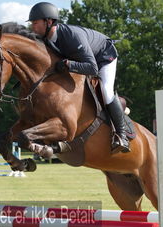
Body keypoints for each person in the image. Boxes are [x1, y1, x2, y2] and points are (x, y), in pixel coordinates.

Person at [28, 2, 130, 154]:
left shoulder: (71, 36)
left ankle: (122, 136)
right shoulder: (46, 39)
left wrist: (69, 64)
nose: (32, 27)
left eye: (35, 23)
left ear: (49, 22)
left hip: (103, 57)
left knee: (106, 90)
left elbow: (92, 67)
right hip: (84, 61)